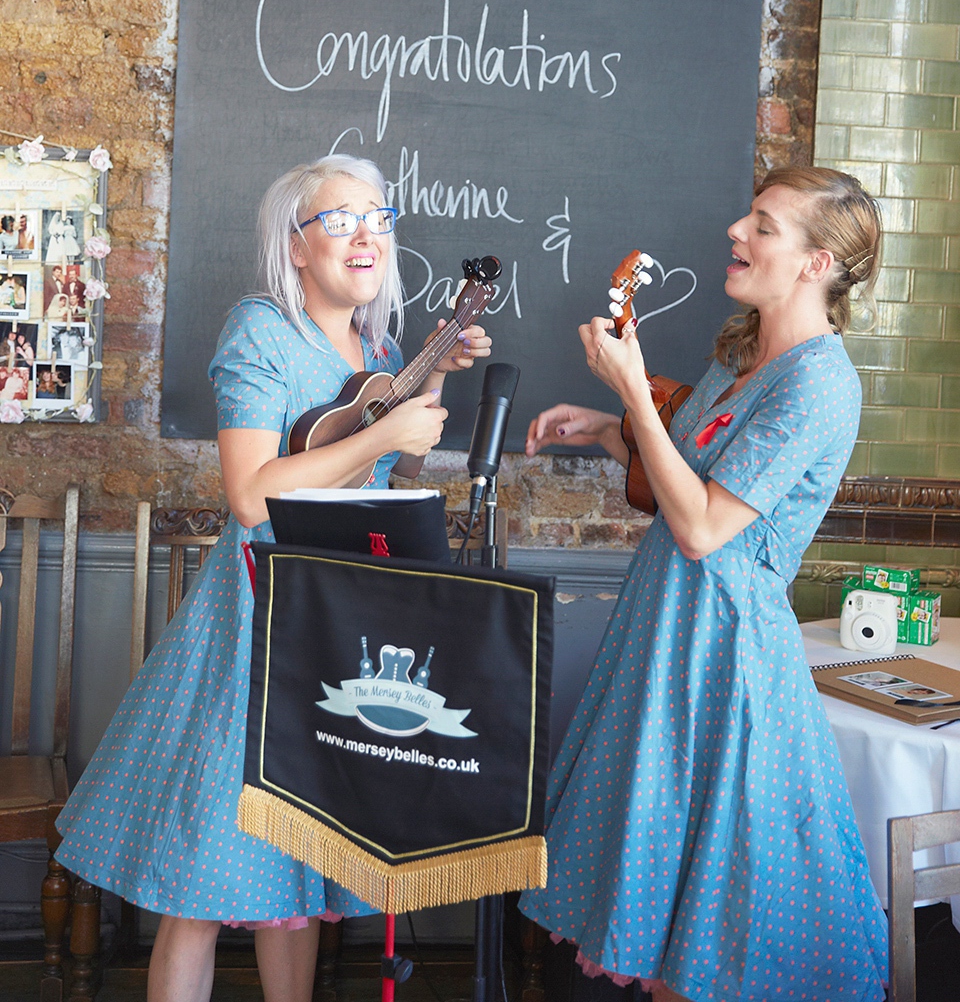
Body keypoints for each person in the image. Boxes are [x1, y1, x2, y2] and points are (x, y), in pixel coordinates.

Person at [55, 153, 492, 1002]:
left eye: (378, 217)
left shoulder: (380, 344)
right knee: (204, 880)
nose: (365, 234)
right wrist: (383, 435)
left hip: (339, 613)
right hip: (257, 614)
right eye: (339, 219)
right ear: (296, 246)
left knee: (298, 872)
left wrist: (434, 376)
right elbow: (252, 497)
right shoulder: (259, 330)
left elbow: (370, 474)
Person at [518, 167, 887, 1002]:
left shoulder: (822, 385)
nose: (736, 231)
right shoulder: (739, 358)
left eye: (763, 225)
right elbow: (684, 471)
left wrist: (632, 393)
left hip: (724, 661)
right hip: (663, 641)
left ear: (814, 263)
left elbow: (704, 527)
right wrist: (609, 427)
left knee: (710, 938)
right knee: (661, 920)